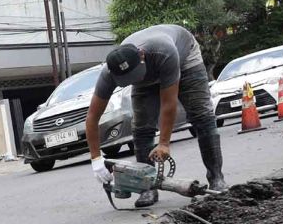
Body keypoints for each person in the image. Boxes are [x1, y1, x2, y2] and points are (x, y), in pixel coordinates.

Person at [85, 23, 227, 207]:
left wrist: (164, 144)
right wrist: (96, 159)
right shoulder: (109, 73)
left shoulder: (164, 52)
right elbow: (92, 117)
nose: (135, 81)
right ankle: (147, 187)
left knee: (201, 116)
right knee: (142, 127)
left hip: (184, 59)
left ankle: (216, 178)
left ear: (141, 57)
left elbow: (169, 103)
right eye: (129, 80)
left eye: (135, 75)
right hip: (152, 66)